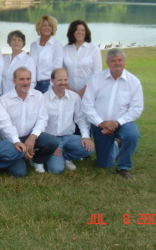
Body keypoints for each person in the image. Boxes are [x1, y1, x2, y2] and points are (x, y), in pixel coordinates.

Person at [82, 48, 143, 179]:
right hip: (100, 124)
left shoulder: (134, 82)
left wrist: (116, 123)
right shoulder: (96, 79)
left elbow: (136, 109)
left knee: (132, 135)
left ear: (124, 62)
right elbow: (87, 105)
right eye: (113, 61)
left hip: (122, 123)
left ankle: (123, 167)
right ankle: (116, 144)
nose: (117, 63)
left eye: (120, 60)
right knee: (104, 164)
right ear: (107, 63)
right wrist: (102, 123)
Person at [0, 67, 60, 173]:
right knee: (19, 173)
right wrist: (17, 142)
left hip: (31, 136)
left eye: (28, 79)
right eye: (22, 79)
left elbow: (42, 118)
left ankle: (37, 160)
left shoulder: (38, 96)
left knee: (53, 141)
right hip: (12, 139)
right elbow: (5, 126)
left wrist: (32, 136)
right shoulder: (4, 100)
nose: (26, 82)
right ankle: (22, 156)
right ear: (14, 81)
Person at [43, 68, 95, 174]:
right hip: (52, 139)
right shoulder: (43, 98)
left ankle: (66, 156)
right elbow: (40, 123)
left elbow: (81, 118)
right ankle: (48, 154)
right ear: (52, 80)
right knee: (56, 170)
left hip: (68, 137)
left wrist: (85, 136)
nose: (63, 83)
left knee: (90, 148)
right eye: (59, 80)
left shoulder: (74, 97)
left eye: (65, 80)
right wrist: (49, 145)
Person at [63, 20, 102, 98]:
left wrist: (82, 92)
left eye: (83, 30)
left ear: (86, 32)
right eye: (76, 30)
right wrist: (69, 90)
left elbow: (97, 74)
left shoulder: (94, 49)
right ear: (72, 32)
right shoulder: (65, 49)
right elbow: (62, 71)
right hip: (69, 93)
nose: (79, 32)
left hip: (89, 92)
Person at [30, 15, 63, 93]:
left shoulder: (57, 46)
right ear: (40, 27)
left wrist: (52, 87)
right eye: (44, 25)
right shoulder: (33, 45)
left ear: (53, 28)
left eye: (49, 26)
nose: (46, 28)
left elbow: (57, 68)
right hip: (33, 84)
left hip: (48, 84)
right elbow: (31, 66)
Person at [1, 30, 36, 94]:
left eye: (19, 40)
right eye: (14, 40)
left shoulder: (29, 60)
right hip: (4, 98)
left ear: (23, 43)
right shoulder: (4, 59)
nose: (16, 42)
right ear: (9, 42)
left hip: (19, 97)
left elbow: (32, 82)